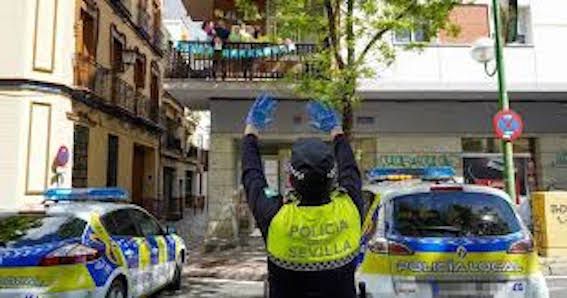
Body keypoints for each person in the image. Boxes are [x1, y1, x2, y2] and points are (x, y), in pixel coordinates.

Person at [241, 94, 364, 298]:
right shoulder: (350, 209)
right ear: (332, 180)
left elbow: (251, 174)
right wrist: (336, 130)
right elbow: (350, 169)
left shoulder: (276, 217)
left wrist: (251, 129)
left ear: (290, 180)